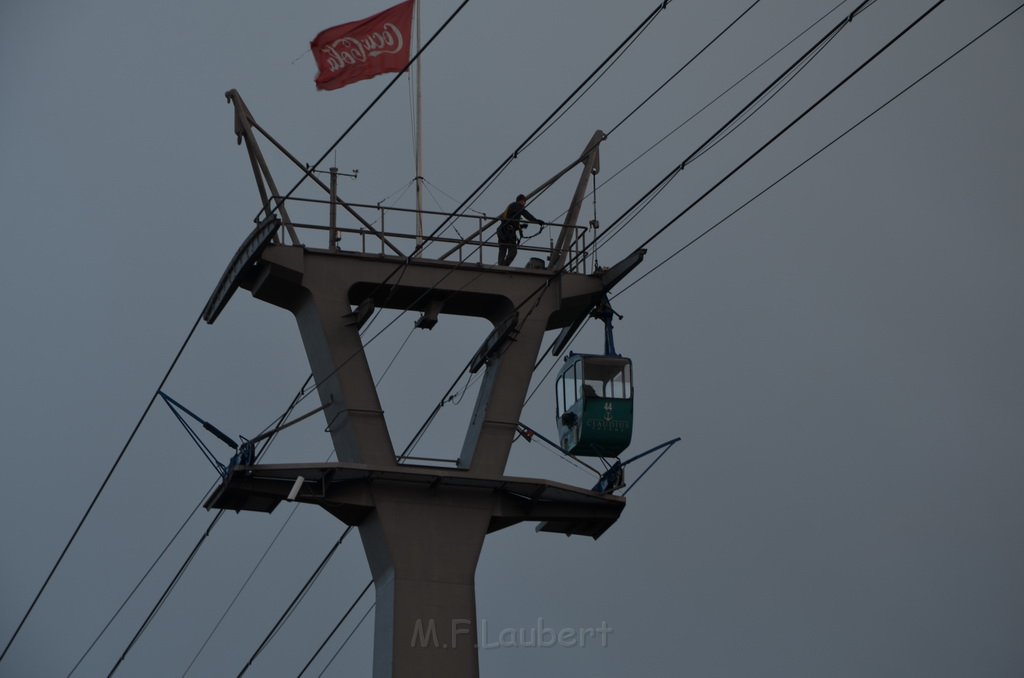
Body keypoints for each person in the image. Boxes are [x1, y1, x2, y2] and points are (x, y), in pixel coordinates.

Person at [496, 194, 545, 266]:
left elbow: (510, 220)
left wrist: (520, 226)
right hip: (508, 232)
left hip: (501, 231)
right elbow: (526, 214)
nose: (524, 204)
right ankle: (504, 265)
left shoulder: (511, 207)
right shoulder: (517, 205)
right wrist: (537, 221)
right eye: (524, 202)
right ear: (521, 201)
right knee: (513, 251)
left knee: (503, 249)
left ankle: (500, 265)